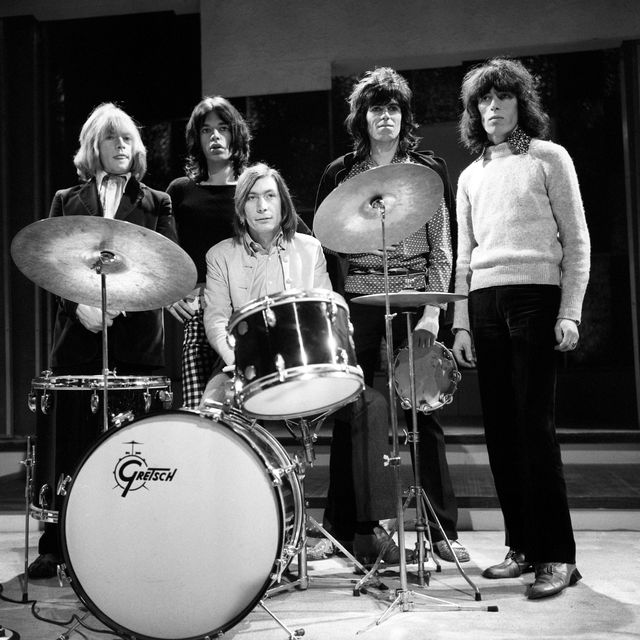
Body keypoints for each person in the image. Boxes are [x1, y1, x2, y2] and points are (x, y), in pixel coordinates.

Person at [203, 162, 405, 565]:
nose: (262, 206)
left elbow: (326, 307)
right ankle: (237, 530)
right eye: (252, 198)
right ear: (241, 208)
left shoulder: (309, 249)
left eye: (270, 196)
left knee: (371, 404)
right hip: (247, 369)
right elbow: (216, 319)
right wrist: (233, 361)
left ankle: (367, 530)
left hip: (306, 366)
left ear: (283, 203)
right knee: (213, 405)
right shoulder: (220, 256)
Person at [314, 67, 468, 563]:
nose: (386, 116)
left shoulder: (427, 169)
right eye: (377, 108)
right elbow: (325, 246)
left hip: (412, 300)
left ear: (405, 116)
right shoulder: (341, 173)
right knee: (352, 413)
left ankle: (442, 530)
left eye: (394, 108)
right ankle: (347, 527)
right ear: (363, 117)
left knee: (423, 410)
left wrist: (430, 315)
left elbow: (442, 248)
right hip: (358, 301)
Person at [451, 58, 590, 599]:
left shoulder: (550, 159)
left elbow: (576, 243)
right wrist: (461, 322)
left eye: (502, 98)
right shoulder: (469, 175)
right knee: (502, 435)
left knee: (536, 428)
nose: (491, 107)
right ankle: (523, 546)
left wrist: (570, 311)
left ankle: (558, 555)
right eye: (482, 101)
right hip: (484, 302)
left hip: (536, 299)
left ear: (520, 104)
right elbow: (464, 256)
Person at [28, 103, 177, 579]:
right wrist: (82, 308)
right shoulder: (65, 200)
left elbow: (167, 271)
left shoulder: (157, 203)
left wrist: (116, 304)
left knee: (131, 444)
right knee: (70, 439)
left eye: (129, 139)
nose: (122, 146)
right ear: (94, 146)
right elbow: (49, 267)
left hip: (136, 344)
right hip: (76, 338)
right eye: (112, 138)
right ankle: (57, 543)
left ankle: (135, 537)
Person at [165, 96, 251, 409]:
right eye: (206, 130)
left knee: (240, 408)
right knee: (195, 409)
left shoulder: (252, 188)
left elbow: (297, 236)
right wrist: (170, 296)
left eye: (223, 128)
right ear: (197, 139)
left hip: (245, 307)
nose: (215, 136)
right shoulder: (180, 190)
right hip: (199, 308)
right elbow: (160, 254)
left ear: (235, 134)